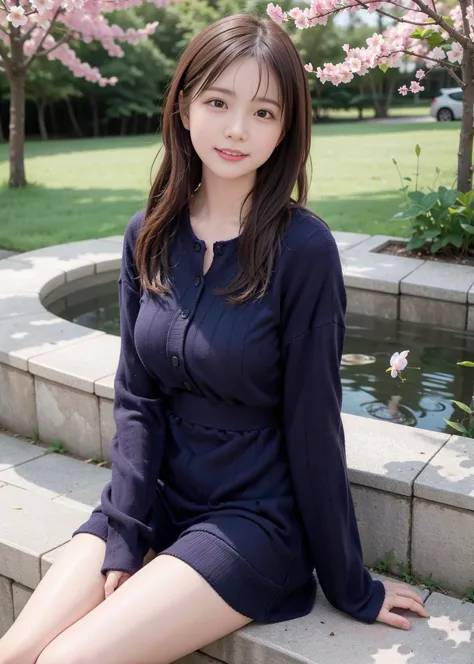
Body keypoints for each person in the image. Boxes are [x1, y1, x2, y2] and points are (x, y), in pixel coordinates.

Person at [0, 12, 430, 664]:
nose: (236, 129)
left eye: (264, 112)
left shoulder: (304, 251)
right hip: (153, 500)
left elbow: (314, 422)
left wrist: (351, 584)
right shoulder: (148, 233)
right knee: (17, 651)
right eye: (218, 102)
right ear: (182, 106)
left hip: (250, 520)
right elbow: (136, 399)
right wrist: (125, 535)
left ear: (286, 127)